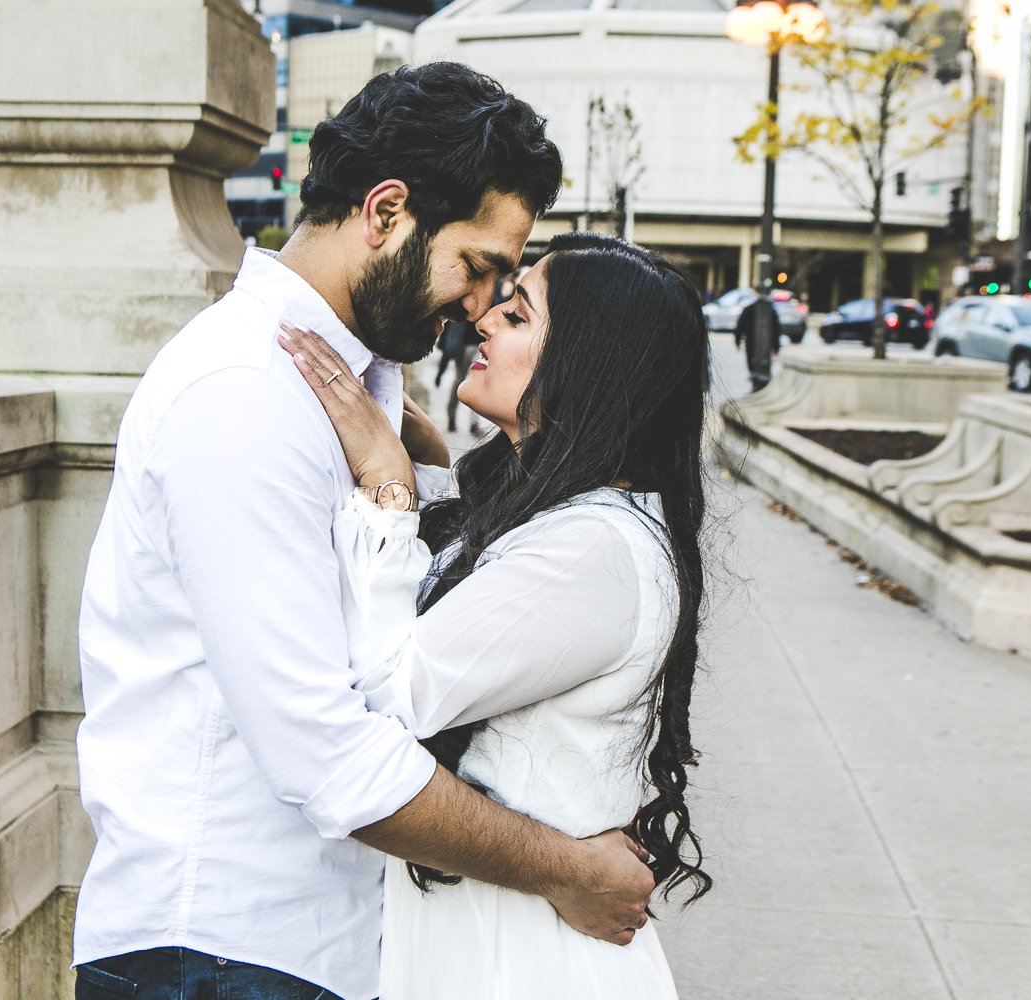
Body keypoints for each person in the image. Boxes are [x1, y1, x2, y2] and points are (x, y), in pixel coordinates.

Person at [72, 63, 655, 1000]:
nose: (477, 306)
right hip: (221, 950)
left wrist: (421, 485)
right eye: (477, 266)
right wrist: (564, 868)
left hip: (301, 948)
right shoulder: (245, 393)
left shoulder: (355, 387)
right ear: (386, 212)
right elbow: (325, 751)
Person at [278, 231, 713, 999]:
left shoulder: (593, 550)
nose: (482, 323)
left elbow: (395, 692)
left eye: (517, 317)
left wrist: (389, 485)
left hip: (522, 960)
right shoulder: (567, 520)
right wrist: (436, 475)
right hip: (487, 936)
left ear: (588, 364)